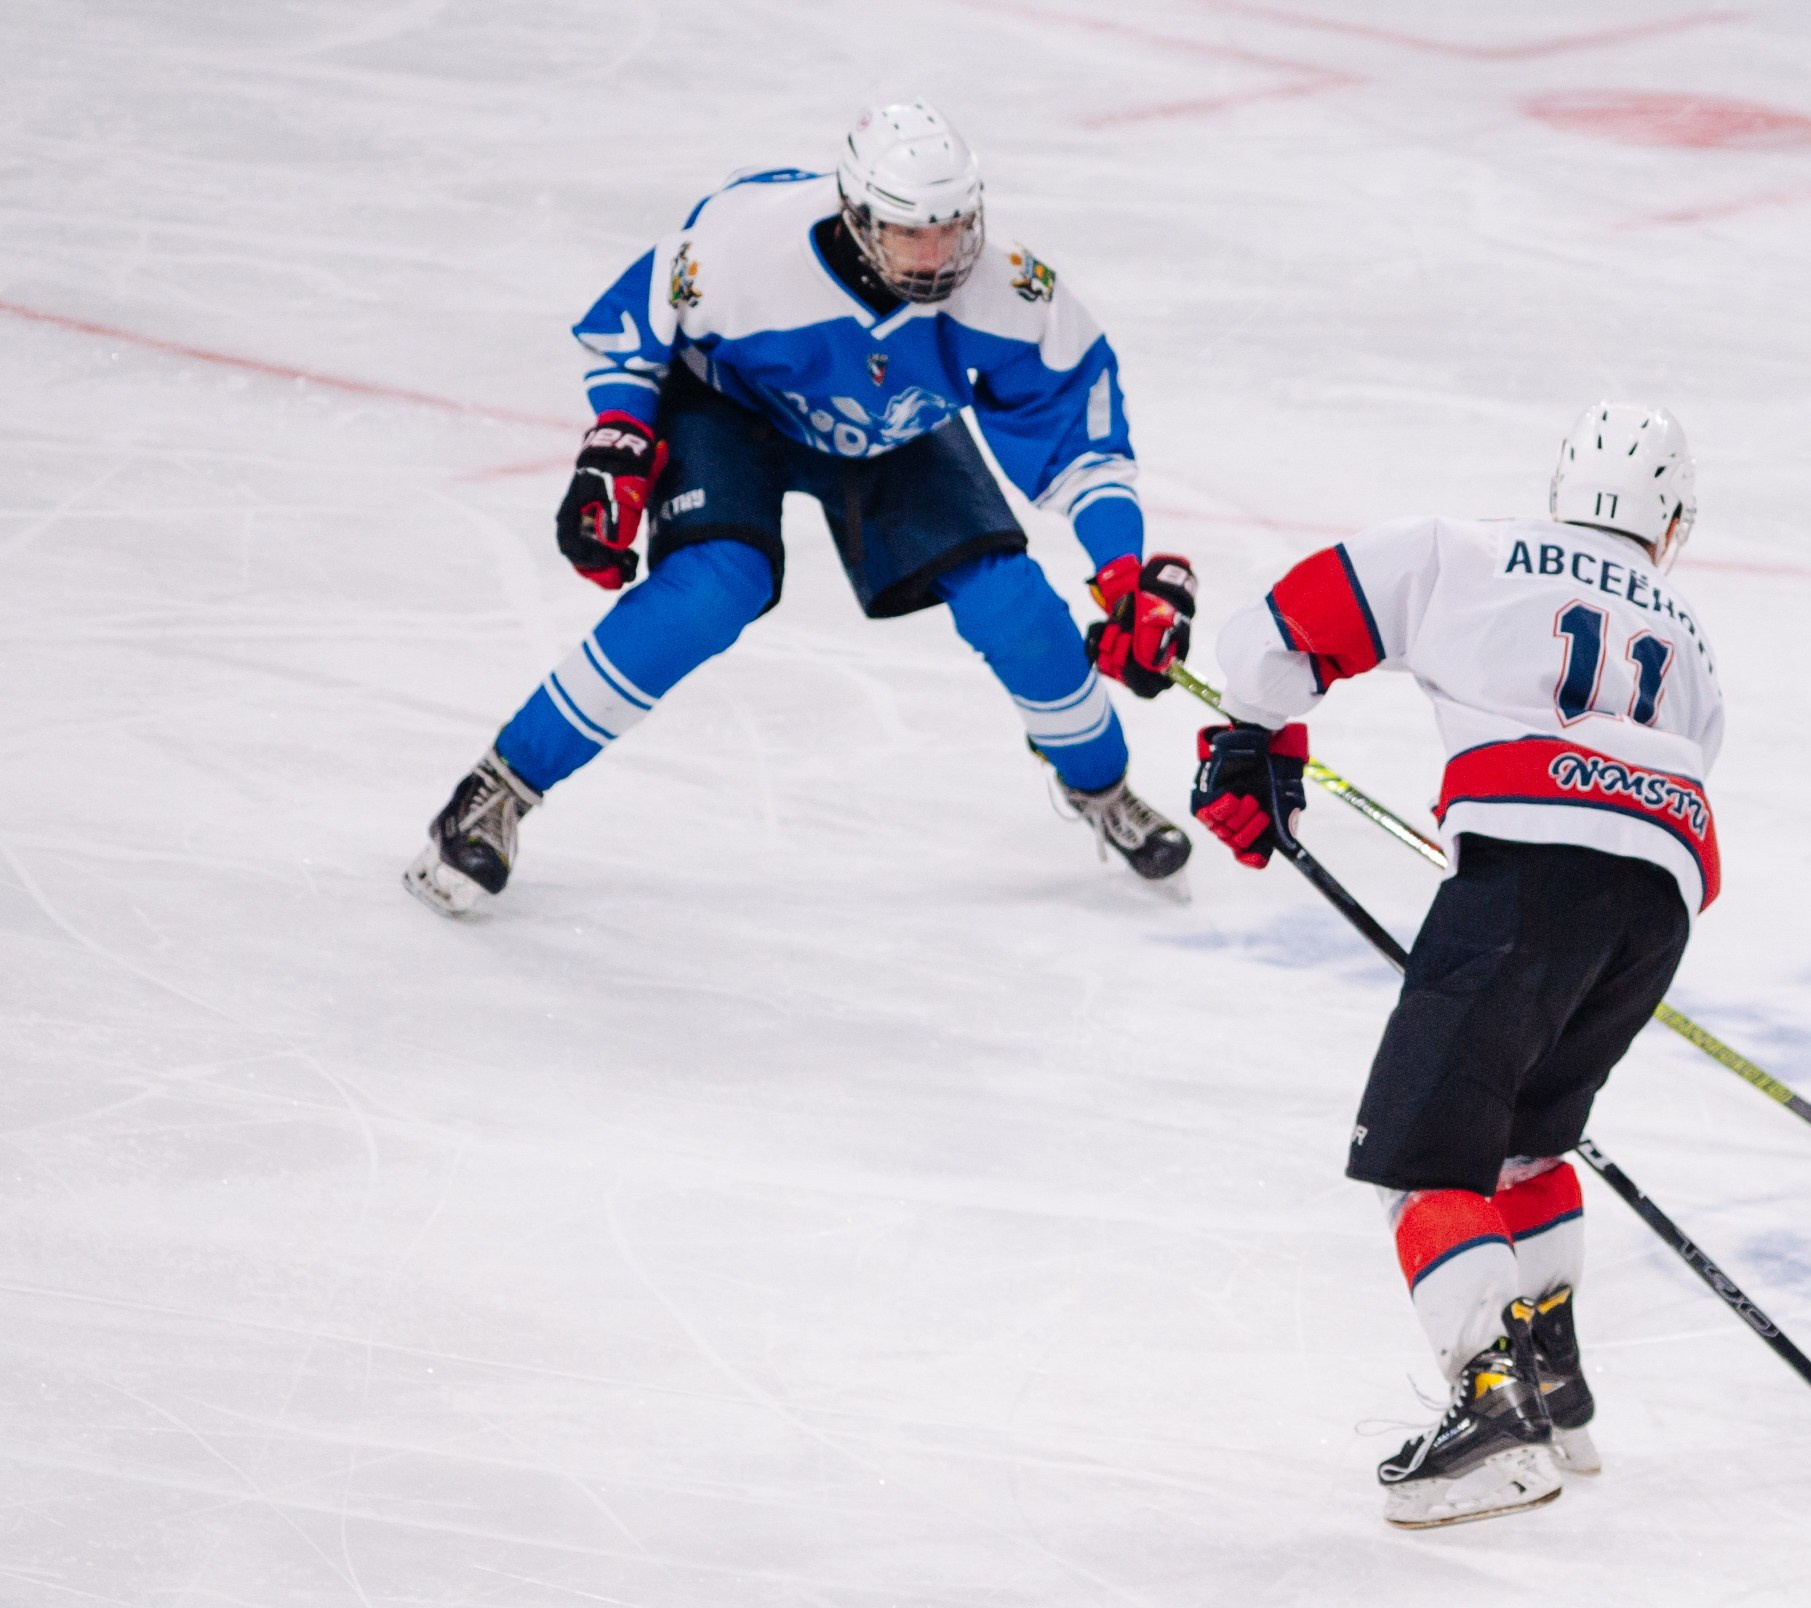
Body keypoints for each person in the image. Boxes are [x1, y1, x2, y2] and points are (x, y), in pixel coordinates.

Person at [406, 101, 1197, 916]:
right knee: (712, 589)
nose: (937, 256)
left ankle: (1103, 788)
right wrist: (619, 441)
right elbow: (628, 328)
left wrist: (1121, 570)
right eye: (910, 234)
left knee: (1011, 602)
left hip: (890, 426)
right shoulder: (744, 248)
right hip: (733, 407)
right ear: (857, 216)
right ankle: (499, 788)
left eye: (953, 229)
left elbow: (1082, 442)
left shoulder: (1015, 292)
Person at [1189, 402, 1724, 1528]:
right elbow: (1683, 767)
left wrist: (1253, 737)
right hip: (1658, 901)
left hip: (1527, 878)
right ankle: (1550, 1381)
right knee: (1525, 1145)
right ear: (1669, 522)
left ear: (1559, 489)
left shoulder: (1469, 550)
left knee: (1427, 1158)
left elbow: (1290, 620)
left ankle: (1493, 1417)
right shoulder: (1687, 634)